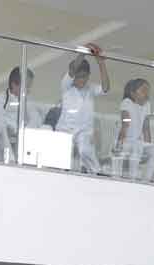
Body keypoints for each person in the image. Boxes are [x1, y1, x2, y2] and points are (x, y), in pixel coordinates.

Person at [56, 43, 110, 174]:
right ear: (73, 76)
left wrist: (101, 63)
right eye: (78, 77)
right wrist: (83, 52)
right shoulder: (66, 86)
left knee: (85, 150)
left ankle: (97, 171)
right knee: (63, 156)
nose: (82, 80)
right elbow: (73, 69)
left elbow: (106, 88)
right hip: (65, 129)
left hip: (84, 131)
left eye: (84, 76)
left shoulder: (91, 89)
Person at [114, 78, 154, 182]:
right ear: (132, 93)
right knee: (136, 148)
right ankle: (132, 178)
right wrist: (119, 145)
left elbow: (146, 128)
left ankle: (147, 179)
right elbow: (125, 125)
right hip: (125, 141)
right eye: (143, 91)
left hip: (137, 142)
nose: (147, 94)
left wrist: (148, 147)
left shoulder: (147, 105)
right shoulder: (127, 102)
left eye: (148, 91)